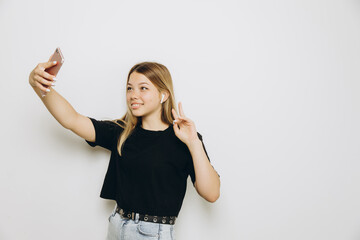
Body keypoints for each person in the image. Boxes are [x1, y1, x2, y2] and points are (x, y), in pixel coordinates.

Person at [29, 55, 220, 240]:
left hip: (153, 233)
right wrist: (40, 86)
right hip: (117, 225)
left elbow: (211, 193)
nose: (133, 95)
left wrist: (194, 143)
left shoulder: (184, 137)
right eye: (129, 88)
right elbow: (72, 120)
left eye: (143, 88)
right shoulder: (121, 131)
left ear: (163, 95)